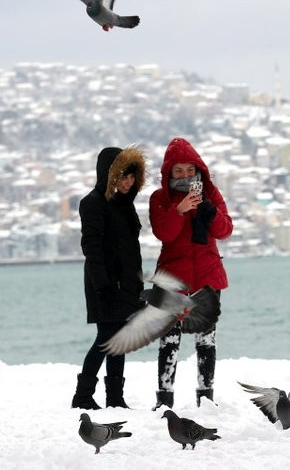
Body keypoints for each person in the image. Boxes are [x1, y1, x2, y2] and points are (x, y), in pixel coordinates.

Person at [149, 137, 233, 409]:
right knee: (169, 340)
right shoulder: (160, 198)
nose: (185, 175)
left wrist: (210, 213)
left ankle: (205, 398)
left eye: (189, 170)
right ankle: (164, 400)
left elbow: (225, 231)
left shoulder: (212, 195)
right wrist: (179, 210)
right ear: (169, 173)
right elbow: (165, 233)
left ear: (198, 170)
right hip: (173, 279)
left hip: (208, 277)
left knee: (206, 340)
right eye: (178, 171)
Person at [72, 146, 146, 409]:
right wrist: (103, 285)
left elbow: (130, 250)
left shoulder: (126, 205)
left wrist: (137, 286)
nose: (127, 182)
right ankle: (82, 397)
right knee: (106, 338)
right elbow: (91, 248)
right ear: (109, 175)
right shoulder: (91, 203)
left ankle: (115, 398)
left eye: (131, 177)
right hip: (103, 284)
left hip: (127, 284)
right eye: (122, 176)